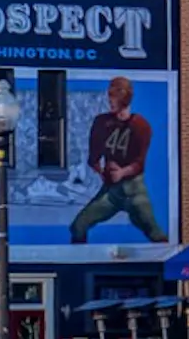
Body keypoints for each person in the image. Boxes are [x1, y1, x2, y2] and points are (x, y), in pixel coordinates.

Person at [69, 76, 167, 243]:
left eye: (114, 97)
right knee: (79, 226)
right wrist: (103, 172)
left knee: (154, 232)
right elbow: (93, 158)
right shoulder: (102, 122)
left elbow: (139, 162)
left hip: (134, 190)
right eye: (110, 96)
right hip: (111, 191)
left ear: (125, 97)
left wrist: (122, 172)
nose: (111, 101)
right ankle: (77, 263)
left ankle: (168, 264)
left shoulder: (141, 125)